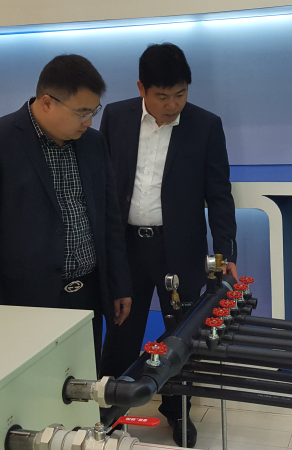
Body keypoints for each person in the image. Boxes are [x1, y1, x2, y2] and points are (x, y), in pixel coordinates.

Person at [99, 43, 238, 447]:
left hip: (178, 249)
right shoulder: (116, 117)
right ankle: (111, 413)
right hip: (126, 247)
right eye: (162, 96)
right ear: (141, 88)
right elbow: (104, 183)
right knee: (121, 331)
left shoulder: (206, 125)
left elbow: (219, 196)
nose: (173, 104)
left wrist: (223, 256)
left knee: (180, 335)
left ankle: (177, 409)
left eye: (180, 94)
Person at [0, 55, 132, 370]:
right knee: (35, 386)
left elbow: (109, 219)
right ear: (48, 102)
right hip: (26, 301)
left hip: (89, 293)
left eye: (94, 111)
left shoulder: (93, 143)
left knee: (84, 379)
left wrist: (118, 284)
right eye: (82, 112)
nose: (89, 121)